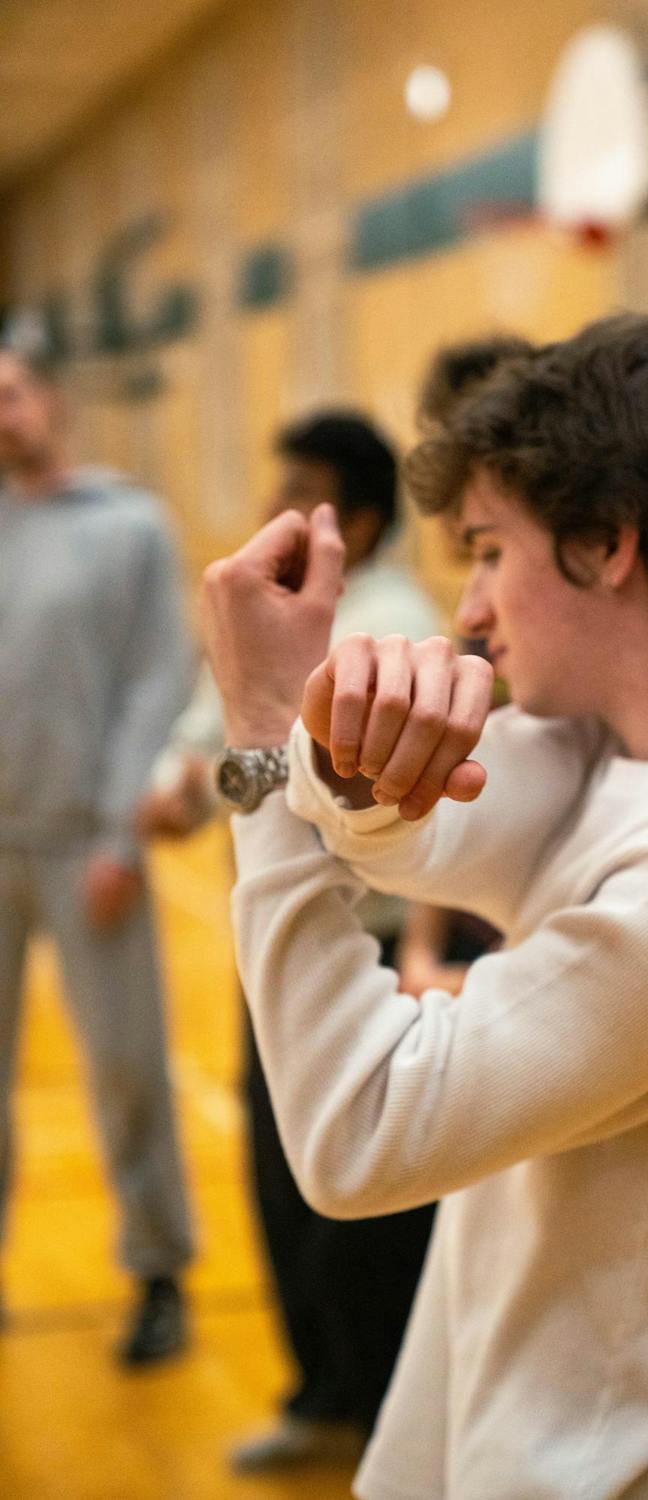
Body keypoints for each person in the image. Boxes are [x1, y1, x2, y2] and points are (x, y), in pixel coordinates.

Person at [202, 313, 648, 1499]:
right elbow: (411, 833)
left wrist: (263, 743)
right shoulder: (623, 746)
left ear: (605, 541)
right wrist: (339, 742)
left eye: (486, 551)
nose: (470, 607)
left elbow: (358, 1135)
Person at [141, 411, 443, 1472]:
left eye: (300, 488)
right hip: (278, 945)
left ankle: (390, 1430)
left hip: (371, 957)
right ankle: (323, 1396)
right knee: (281, 1184)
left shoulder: (393, 629)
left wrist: (230, 773)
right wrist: (185, 782)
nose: (275, 505)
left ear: (354, 521)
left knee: (368, 1211)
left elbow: (295, 780)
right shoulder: (274, 610)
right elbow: (216, 736)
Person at [0, 347, 195, 1364]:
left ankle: (159, 1271)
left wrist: (122, 831)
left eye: (9, 394)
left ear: (51, 399)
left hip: (88, 846)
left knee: (125, 1069)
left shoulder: (129, 527)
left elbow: (158, 682)